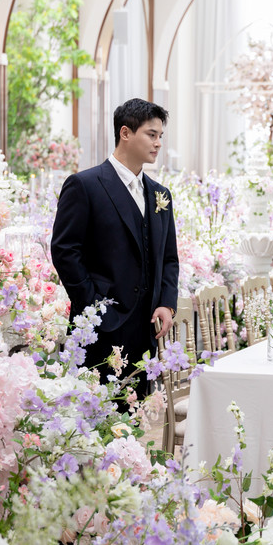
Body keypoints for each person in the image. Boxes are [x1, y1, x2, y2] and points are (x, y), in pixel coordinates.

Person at [51, 98, 179, 394]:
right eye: (151, 134)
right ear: (125, 133)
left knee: (135, 412)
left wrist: (166, 303)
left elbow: (169, 257)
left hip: (145, 330)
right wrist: (93, 306)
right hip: (100, 330)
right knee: (96, 414)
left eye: (160, 135)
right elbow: (65, 251)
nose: (158, 143)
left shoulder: (160, 194)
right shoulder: (85, 185)